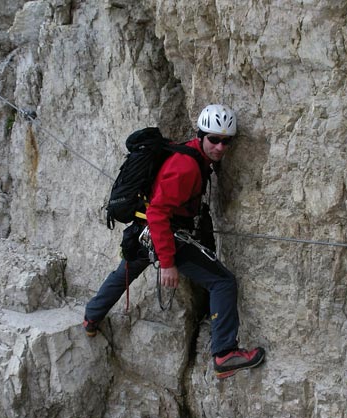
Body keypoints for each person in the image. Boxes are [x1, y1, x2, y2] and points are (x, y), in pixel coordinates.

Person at [83, 104, 265, 379]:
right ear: (201, 135)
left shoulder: (191, 154)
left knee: (125, 271)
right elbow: (158, 212)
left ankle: (91, 317)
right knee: (223, 282)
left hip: (146, 232)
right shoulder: (187, 167)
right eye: (214, 139)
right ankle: (225, 353)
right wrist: (167, 263)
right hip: (165, 234)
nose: (219, 147)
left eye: (226, 142)